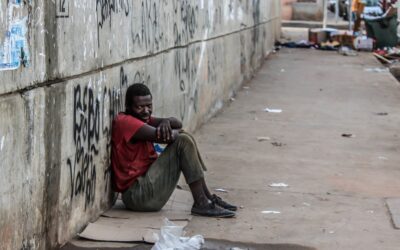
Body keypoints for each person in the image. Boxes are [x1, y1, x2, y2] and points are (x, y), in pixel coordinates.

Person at [111, 83, 237, 218]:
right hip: (137, 196)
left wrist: (166, 121)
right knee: (182, 140)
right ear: (129, 107)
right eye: (140, 107)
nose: (146, 111)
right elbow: (168, 137)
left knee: (184, 137)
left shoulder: (142, 118)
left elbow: (177, 123)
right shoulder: (126, 122)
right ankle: (201, 203)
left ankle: (207, 198)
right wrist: (175, 131)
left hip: (144, 186)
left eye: (149, 106)